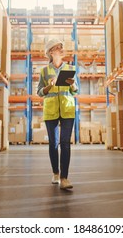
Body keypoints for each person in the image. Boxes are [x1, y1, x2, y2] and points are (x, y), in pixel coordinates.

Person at [37, 38, 79, 190]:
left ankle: (64, 178)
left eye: (61, 48)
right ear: (50, 52)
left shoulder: (69, 68)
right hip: (51, 110)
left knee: (65, 143)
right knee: (54, 144)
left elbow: (76, 90)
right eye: (57, 48)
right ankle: (55, 172)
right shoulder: (44, 71)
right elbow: (40, 92)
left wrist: (72, 84)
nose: (61, 50)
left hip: (67, 109)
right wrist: (49, 86)